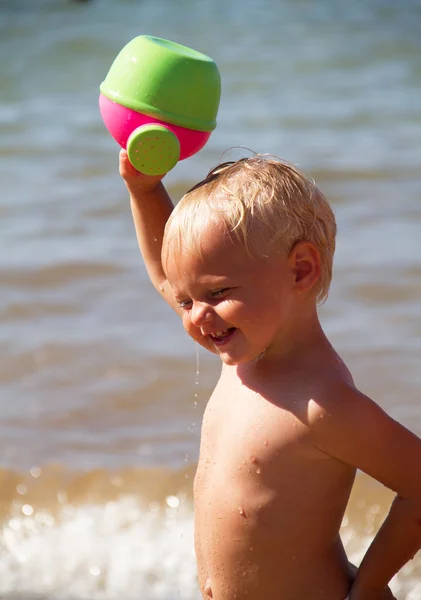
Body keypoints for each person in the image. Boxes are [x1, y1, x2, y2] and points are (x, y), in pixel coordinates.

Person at [119, 149, 421, 600]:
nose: (198, 317)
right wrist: (143, 190)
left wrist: (370, 585)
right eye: (186, 302)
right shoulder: (242, 352)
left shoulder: (321, 403)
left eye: (218, 292)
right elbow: (169, 275)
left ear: (301, 270)